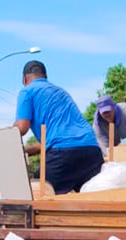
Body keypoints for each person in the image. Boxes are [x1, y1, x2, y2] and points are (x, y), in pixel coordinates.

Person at [14, 60, 103, 193]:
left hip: (63, 154)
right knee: (92, 198)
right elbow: (60, 139)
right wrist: (27, 151)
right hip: (91, 151)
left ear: (24, 79)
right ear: (45, 77)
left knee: (38, 192)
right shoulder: (61, 92)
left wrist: (5, 137)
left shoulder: (27, 91)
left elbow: (21, 127)